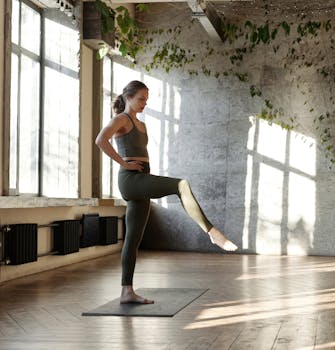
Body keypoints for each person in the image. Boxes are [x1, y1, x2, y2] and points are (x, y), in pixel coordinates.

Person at [95, 80, 238, 304]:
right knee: (181, 185)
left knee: (133, 239)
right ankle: (211, 232)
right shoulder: (121, 119)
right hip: (131, 180)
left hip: (142, 179)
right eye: (141, 98)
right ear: (128, 97)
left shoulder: (140, 124)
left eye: (146, 99)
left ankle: (126, 291)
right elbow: (100, 140)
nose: (144, 103)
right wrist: (124, 163)